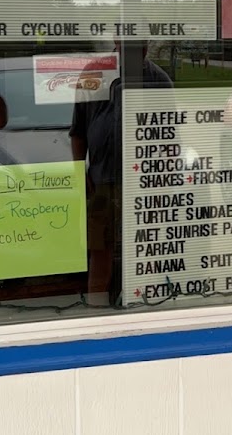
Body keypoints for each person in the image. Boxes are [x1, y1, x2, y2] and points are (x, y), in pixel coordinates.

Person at [70, 41, 172, 305]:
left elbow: (170, 138)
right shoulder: (93, 73)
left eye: (140, 44)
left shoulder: (159, 80)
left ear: (147, 44)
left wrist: (162, 181)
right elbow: (78, 131)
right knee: (100, 252)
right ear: (117, 40)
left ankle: (145, 309)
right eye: (128, 42)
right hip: (102, 182)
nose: (136, 49)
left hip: (145, 184)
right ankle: (96, 312)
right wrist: (79, 172)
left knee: (147, 250)